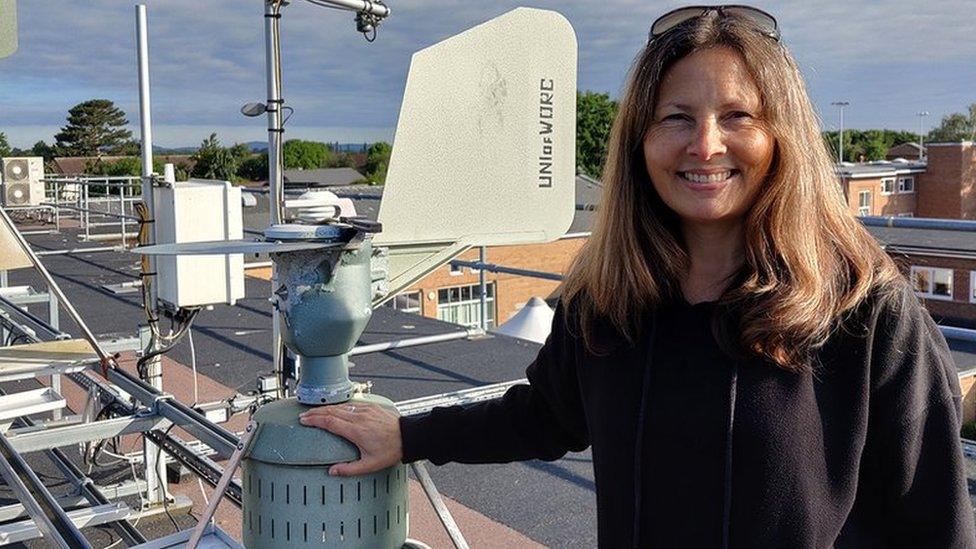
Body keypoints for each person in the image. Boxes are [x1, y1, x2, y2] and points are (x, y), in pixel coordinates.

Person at [300, 6, 976, 548]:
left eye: (737, 116)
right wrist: (408, 433)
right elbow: (546, 413)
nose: (705, 144)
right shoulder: (606, 300)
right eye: (676, 117)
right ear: (640, 142)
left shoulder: (863, 308)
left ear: (782, 136)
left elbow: (932, 520)